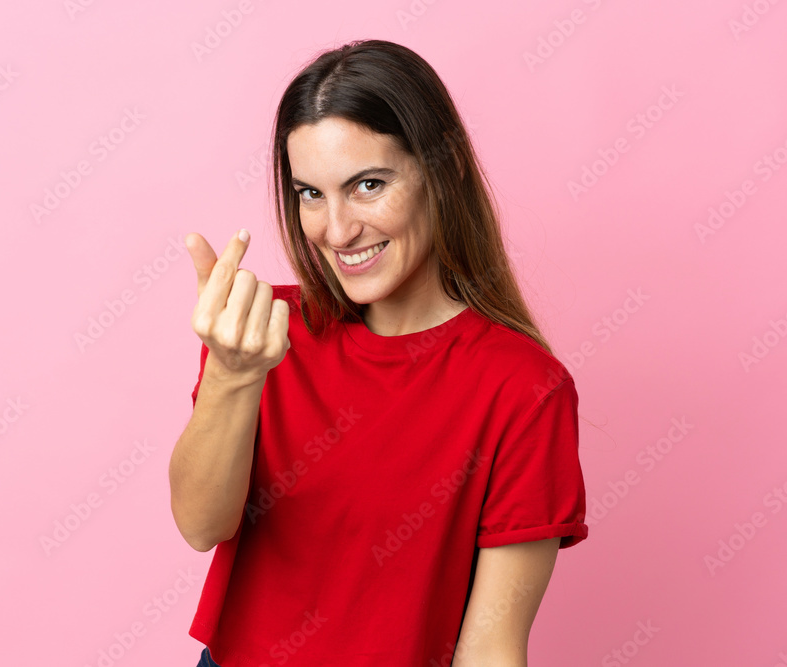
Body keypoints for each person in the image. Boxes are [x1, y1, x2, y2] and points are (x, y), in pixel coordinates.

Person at [169, 39, 589, 667]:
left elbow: (491, 646)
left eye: (367, 185)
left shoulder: (524, 388)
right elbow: (201, 526)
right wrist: (232, 374)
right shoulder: (260, 336)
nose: (337, 230)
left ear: (442, 171)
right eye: (311, 193)